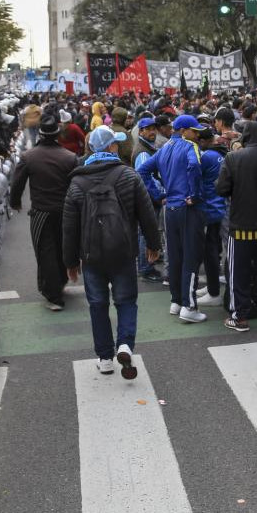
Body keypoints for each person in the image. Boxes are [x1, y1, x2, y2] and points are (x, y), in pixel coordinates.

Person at [63, 125, 161, 379]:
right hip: (123, 250)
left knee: (97, 304)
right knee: (126, 300)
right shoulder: (128, 175)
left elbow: (69, 227)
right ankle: (125, 344)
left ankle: (105, 357)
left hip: (91, 255)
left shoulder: (77, 182)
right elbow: (147, 213)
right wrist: (153, 244)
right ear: (111, 147)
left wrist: (71, 261)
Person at [137, 114, 209, 322]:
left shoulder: (163, 148)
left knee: (175, 257)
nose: (196, 135)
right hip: (188, 208)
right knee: (191, 257)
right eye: (194, 131)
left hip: (171, 210)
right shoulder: (189, 147)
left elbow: (142, 171)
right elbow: (194, 166)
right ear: (184, 131)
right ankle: (189, 306)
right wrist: (195, 195)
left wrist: (160, 195)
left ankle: (177, 301)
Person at [215, 120, 257, 328]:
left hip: (241, 227)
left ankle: (240, 316)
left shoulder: (233, 157)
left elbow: (221, 189)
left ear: (244, 136)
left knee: (238, 274)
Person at [10, 114, 80, 311]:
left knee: (45, 251)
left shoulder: (29, 156)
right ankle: (60, 282)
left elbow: (17, 184)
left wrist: (15, 202)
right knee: (62, 247)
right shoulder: (69, 157)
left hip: (41, 211)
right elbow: (78, 185)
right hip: (65, 210)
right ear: (58, 135)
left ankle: (53, 293)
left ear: (40, 134)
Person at [193, 126, 227, 308]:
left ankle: (214, 292)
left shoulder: (205, 157)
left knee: (210, 252)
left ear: (203, 141)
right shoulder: (221, 153)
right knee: (213, 250)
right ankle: (211, 287)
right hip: (219, 206)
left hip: (210, 208)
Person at [132, 116, 166, 282]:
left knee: (145, 232)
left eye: (154, 128)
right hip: (148, 198)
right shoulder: (143, 151)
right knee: (146, 232)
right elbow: (145, 178)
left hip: (147, 197)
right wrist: (160, 195)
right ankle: (146, 268)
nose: (153, 132)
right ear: (141, 131)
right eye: (149, 129)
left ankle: (147, 264)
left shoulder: (147, 147)